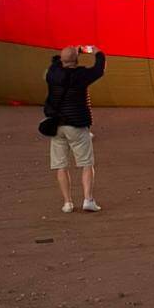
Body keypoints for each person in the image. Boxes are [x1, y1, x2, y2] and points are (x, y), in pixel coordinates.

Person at [43, 45, 106, 212]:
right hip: (77, 125)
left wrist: (73, 51)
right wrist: (97, 52)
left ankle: (67, 203)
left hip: (57, 125)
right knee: (86, 164)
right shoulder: (81, 76)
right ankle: (88, 200)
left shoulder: (52, 74)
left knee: (61, 166)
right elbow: (99, 70)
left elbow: (56, 62)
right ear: (77, 60)